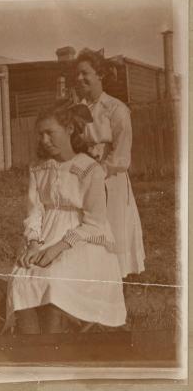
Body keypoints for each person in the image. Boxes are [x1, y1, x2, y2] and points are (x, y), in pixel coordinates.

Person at [3, 101, 127, 335]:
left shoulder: (89, 169)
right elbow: (35, 210)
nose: (45, 140)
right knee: (21, 278)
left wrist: (57, 248)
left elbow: (95, 223)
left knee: (55, 282)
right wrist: (33, 243)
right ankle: (33, 350)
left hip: (82, 241)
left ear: (69, 129)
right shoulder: (39, 168)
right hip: (45, 235)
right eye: (41, 135)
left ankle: (55, 349)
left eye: (50, 133)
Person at [75, 48, 146, 278]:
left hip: (111, 182)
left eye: (85, 73)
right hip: (85, 180)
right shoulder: (78, 110)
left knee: (112, 231)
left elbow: (121, 156)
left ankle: (116, 296)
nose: (80, 78)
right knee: (87, 229)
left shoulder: (116, 109)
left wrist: (98, 173)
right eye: (77, 74)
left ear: (100, 75)